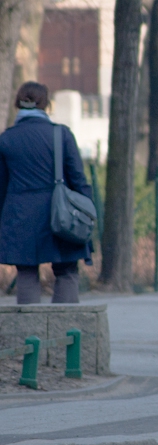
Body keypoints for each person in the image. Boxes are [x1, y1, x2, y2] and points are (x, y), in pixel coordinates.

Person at [0, 81, 92, 304]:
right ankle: (65, 332)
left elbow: (2, 186)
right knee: (67, 271)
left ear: (17, 105)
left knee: (27, 274)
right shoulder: (61, 135)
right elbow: (78, 179)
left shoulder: (6, 139)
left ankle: (30, 335)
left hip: (20, 215)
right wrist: (87, 212)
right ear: (45, 104)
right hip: (60, 214)